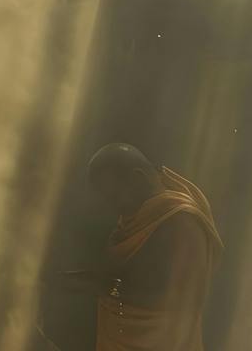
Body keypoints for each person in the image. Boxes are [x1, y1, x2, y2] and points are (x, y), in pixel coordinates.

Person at [63, 144, 222, 351]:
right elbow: (130, 275)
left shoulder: (182, 222)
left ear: (138, 179)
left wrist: (103, 286)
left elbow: (177, 299)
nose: (111, 205)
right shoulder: (139, 217)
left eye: (113, 196)